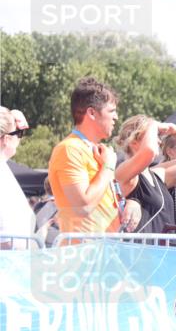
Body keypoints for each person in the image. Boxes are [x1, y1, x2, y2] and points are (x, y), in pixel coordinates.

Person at [48, 77, 139, 234]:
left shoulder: (98, 151)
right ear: (91, 113)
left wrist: (132, 203)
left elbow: (102, 200)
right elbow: (83, 207)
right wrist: (108, 166)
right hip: (83, 254)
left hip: (105, 252)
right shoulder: (69, 149)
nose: (116, 117)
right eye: (111, 111)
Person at [114, 115, 176, 234]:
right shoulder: (123, 172)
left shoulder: (157, 173)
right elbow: (149, 151)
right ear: (134, 141)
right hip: (140, 250)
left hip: (162, 250)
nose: (159, 141)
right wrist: (154, 124)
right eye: (153, 136)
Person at [0, 107, 35, 247]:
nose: (20, 139)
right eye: (19, 134)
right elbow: (6, 240)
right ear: (6, 139)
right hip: (10, 264)